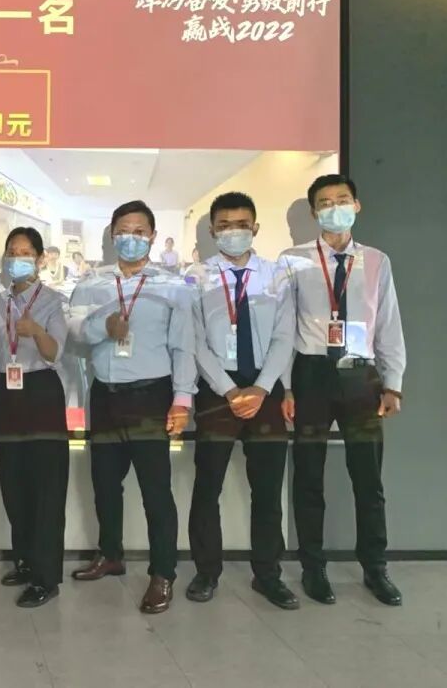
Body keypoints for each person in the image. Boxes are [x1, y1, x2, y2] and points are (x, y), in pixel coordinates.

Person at [281, 174, 405, 607]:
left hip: (360, 378)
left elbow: (387, 323)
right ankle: (312, 567)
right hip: (311, 376)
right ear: (314, 212)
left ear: (357, 205)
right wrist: (285, 387)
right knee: (308, 475)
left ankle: (375, 567)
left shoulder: (376, 261)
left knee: (368, 479)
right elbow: (283, 328)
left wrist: (393, 384)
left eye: (342, 199)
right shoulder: (293, 260)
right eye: (325, 202)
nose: (334, 208)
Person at [67, 201, 192, 614]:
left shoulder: (173, 286)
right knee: (105, 484)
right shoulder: (92, 283)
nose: (131, 238)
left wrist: (182, 400)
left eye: (140, 231)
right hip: (104, 395)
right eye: (123, 230)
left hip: (150, 396)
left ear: (152, 236)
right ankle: (110, 554)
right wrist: (103, 327)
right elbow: (75, 334)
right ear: (111, 234)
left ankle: (163, 573)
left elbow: (183, 347)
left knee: (156, 491)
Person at [186, 192, 299, 610]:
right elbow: (194, 340)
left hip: (265, 391)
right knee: (207, 487)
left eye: (241, 225)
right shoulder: (195, 277)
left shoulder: (277, 275)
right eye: (224, 225)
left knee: (268, 490)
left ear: (255, 228)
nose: (233, 232)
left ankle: (268, 575)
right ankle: (206, 572)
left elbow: (285, 335)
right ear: (212, 230)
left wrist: (262, 388)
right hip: (217, 392)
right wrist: (229, 389)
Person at [0, 227, 69, 609]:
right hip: (6, 397)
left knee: (46, 490)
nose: (17, 259)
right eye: (11, 252)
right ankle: (26, 561)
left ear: (40, 259)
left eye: (25, 252)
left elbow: (55, 353)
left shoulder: (54, 301)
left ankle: (46, 577)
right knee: (14, 486)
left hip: (42, 393)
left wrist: (37, 331)